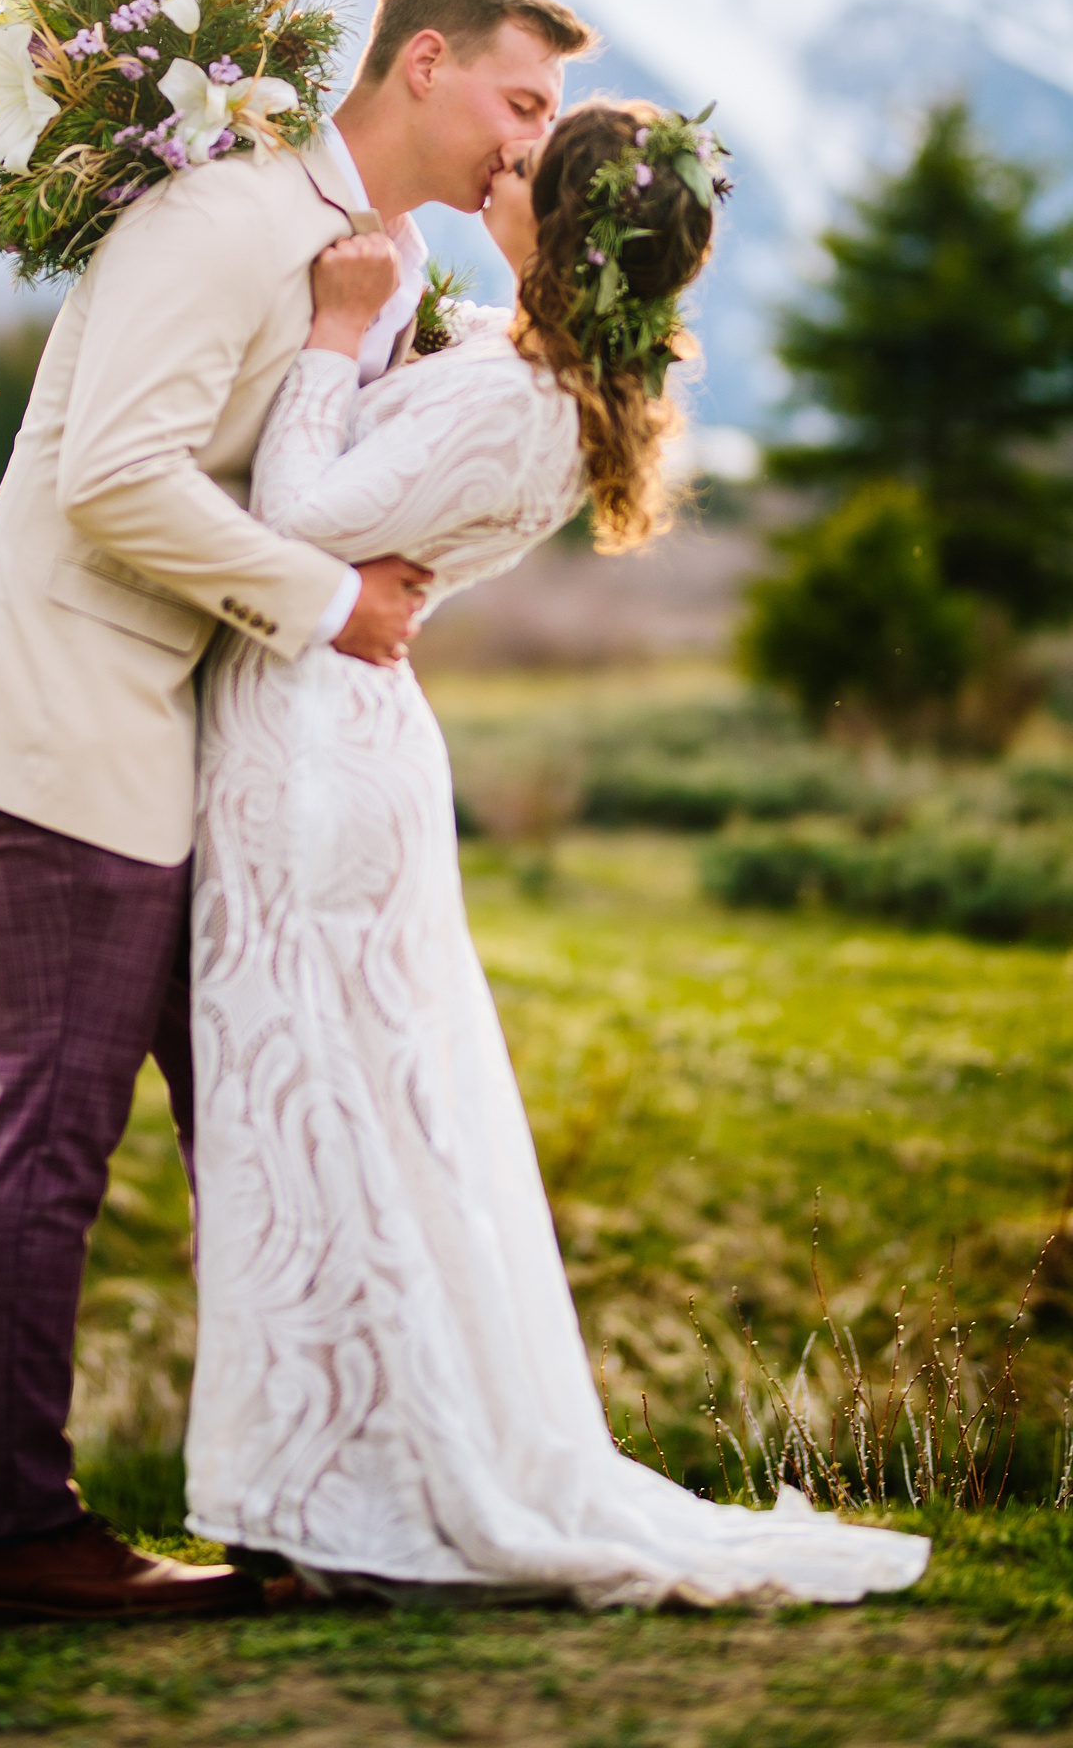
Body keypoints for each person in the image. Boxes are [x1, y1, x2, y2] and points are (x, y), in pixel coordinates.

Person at [0, 0, 594, 1625]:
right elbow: (117, 478)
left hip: (185, 735)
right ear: (426, 63)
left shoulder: (389, 260)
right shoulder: (223, 219)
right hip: (67, 709)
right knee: (55, 1125)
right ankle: (17, 1538)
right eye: (521, 102)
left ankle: (316, 1497)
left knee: (263, 1112)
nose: (532, 142)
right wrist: (333, 608)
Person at [184, 100, 931, 1608]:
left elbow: (293, 515)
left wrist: (334, 333)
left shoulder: (514, 399)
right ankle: (333, 1481)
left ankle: (346, 1495)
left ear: (571, 234)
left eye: (527, 168)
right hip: (341, 735)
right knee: (348, 1126)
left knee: (322, 1125)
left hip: (318, 752)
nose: (497, 172)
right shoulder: (533, 377)